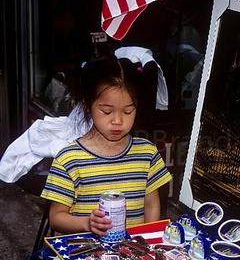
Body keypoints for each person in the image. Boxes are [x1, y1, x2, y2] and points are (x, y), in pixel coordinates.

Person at [40, 56, 172, 236]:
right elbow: (56, 218)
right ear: (88, 106)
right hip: (85, 257)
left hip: (133, 255)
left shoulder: (147, 153)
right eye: (107, 111)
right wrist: (87, 223)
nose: (118, 121)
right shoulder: (69, 159)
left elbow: (151, 204)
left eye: (128, 111)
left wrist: (148, 240)